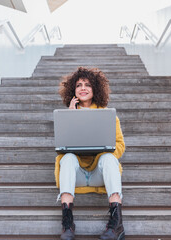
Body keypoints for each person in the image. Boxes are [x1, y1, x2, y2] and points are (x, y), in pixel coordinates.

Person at [55, 67, 126, 240]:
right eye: (79, 85)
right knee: (68, 158)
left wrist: (104, 148)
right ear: (73, 90)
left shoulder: (108, 115)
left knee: (109, 158)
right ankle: (67, 222)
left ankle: (116, 223)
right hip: (77, 173)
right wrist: (71, 118)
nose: (83, 88)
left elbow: (120, 145)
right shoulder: (66, 116)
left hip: (98, 173)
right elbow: (63, 146)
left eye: (87, 85)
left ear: (95, 89)